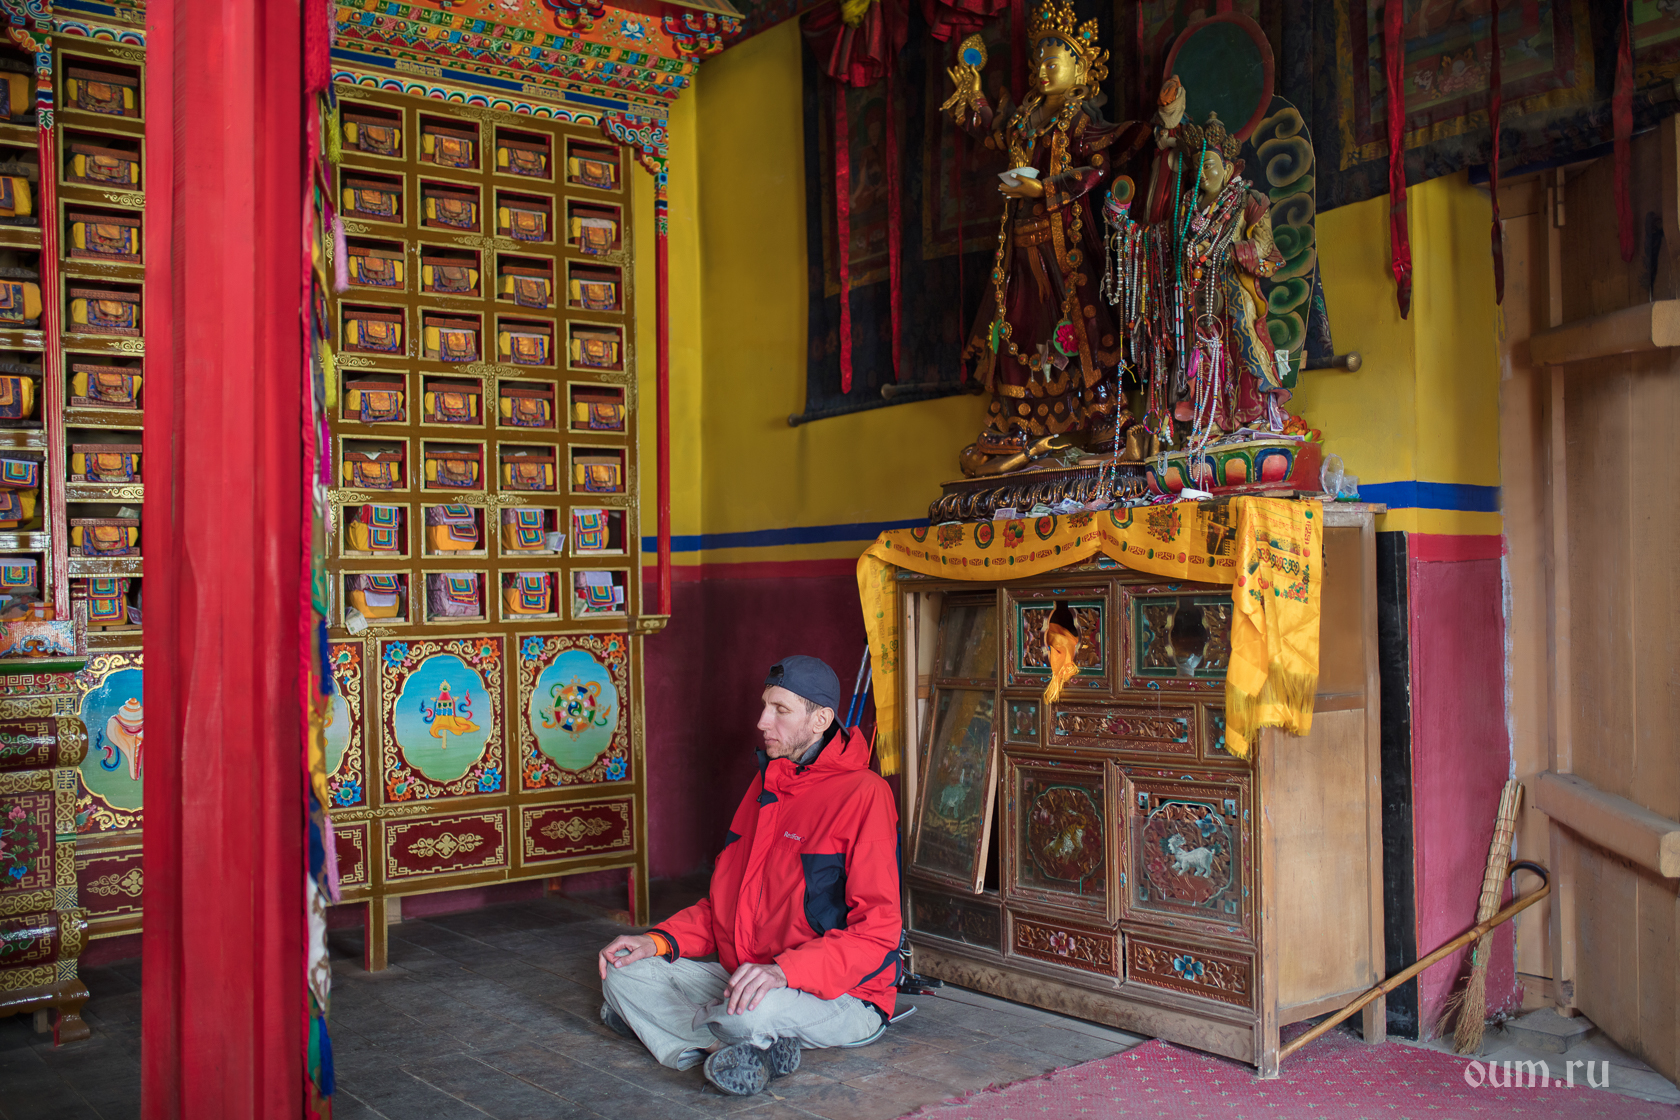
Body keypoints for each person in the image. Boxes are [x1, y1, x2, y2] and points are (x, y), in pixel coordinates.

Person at [595, 655, 902, 1097]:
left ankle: (688, 1030)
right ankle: (728, 1050)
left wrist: (784, 972)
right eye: (764, 706)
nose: (762, 721)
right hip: (749, 974)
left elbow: (877, 932)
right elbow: (725, 905)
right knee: (623, 972)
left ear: (820, 720)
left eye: (780, 710)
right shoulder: (765, 785)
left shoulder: (865, 795)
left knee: (749, 1013)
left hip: (843, 995)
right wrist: (657, 941)